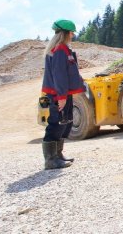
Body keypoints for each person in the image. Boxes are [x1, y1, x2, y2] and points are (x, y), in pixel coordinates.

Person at [41, 19, 85, 170]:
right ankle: (50, 160)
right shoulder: (59, 50)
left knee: (65, 123)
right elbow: (59, 75)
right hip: (57, 95)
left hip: (63, 93)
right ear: (65, 33)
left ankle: (58, 155)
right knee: (56, 124)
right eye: (71, 33)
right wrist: (61, 97)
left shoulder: (62, 49)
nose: (73, 35)